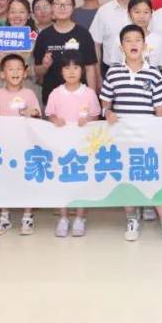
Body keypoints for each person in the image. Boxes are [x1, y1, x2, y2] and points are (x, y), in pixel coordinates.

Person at [99, 24, 162, 246]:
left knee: (155, 179)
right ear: (121, 47)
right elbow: (105, 104)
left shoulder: (154, 73)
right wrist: (107, 113)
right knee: (127, 179)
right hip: (122, 138)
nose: (133, 44)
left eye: (137, 40)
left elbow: (159, 110)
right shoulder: (113, 72)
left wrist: (158, 136)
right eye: (128, 40)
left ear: (145, 45)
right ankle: (132, 220)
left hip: (147, 138)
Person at [44, 51, 100, 237]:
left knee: (82, 181)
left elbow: (96, 116)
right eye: (67, 68)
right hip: (62, 146)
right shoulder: (56, 93)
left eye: (75, 67)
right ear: (61, 71)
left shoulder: (89, 93)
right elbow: (50, 115)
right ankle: (63, 217)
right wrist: (55, 120)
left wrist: (88, 120)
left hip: (83, 146)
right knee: (62, 181)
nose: (71, 72)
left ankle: (80, 217)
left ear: (82, 71)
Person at [0, 54, 43, 237]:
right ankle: (4, 216)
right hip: (4, 146)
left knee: (27, 179)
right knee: (5, 180)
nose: (15, 72)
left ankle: (28, 216)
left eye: (19, 69)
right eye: (10, 69)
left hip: (25, 145)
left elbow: (37, 114)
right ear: (2, 74)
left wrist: (32, 112)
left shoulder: (29, 94)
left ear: (25, 73)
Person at [34, 0, 100, 101]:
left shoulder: (83, 34)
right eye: (57, 3)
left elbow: (90, 68)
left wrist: (91, 98)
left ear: (73, 8)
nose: (62, 7)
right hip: (52, 98)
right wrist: (44, 66)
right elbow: (37, 70)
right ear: (52, 7)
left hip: (80, 98)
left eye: (67, 4)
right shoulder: (44, 35)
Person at [0, 0, 38, 98]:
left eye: (21, 12)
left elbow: (38, 74)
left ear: (28, 15)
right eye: (13, 12)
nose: (17, 15)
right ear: (7, 15)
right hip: (1, 90)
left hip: (27, 90)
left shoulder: (35, 40)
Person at [89, 0, 136, 72]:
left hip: (141, 70)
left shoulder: (145, 10)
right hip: (110, 69)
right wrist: (97, 75)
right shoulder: (104, 11)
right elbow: (96, 45)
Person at [126, 0, 162, 73]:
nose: (141, 16)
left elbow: (159, 67)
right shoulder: (120, 39)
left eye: (146, 12)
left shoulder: (158, 39)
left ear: (151, 14)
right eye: (137, 12)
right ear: (129, 14)